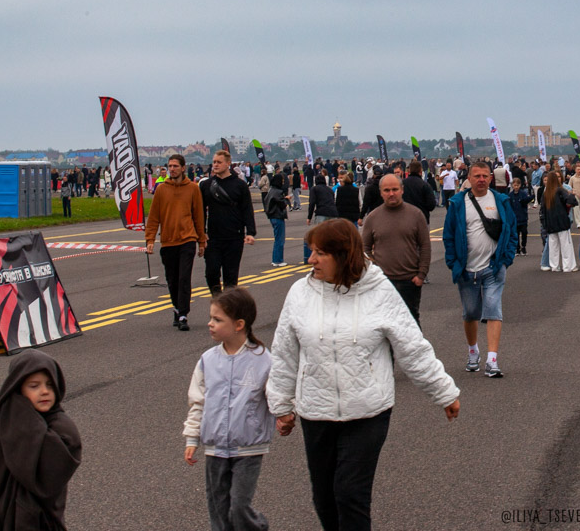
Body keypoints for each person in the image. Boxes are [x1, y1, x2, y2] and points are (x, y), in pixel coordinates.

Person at [268, 219, 459, 530]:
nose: (310, 260)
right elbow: (284, 353)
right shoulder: (299, 294)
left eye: (319, 253)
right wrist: (281, 406)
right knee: (324, 498)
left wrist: (443, 391)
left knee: (349, 494)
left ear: (342, 256)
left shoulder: (379, 291)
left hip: (367, 411)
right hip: (316, 411)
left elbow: (412, 346)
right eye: (311, 252)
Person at [0, 350, 82, 530]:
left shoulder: (60, 426)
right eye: (34, 386)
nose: (44, 391)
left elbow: (51, 473)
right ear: (17, 388)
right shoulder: (0, 423)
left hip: (38, 521)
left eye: (49, 384)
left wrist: (20, 414)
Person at [183, 288, 274, 531]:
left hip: (248, 446)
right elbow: (198, 401)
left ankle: (258, 526)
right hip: (215, 448)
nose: (210, 324)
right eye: (211, 318)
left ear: (239, 324)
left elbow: (277, 395)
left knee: (239, 506)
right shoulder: (208, 360)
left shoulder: (263, 359)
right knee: (218, 509)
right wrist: (192, 437)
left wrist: (286, 414)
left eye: (217, 319)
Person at [442, 161, 517, 377]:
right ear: (469, 178)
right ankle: (473, 351)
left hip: (494, 267)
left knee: (493, 309)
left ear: (491, 178)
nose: (481, 179)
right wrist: (453, 262)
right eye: (477, 176)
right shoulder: (458, 203)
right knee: (471, 313)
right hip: (467, 269)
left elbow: (511, 231)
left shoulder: (500, 200)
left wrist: (506, 259)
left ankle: (492, 360)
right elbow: (449, 235)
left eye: (485, 176)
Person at [146, 154, 207, 331]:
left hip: (187, 240)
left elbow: (199, 216)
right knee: (172, 280)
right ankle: (176, 307)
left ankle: (183, 314)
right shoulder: (161, 190)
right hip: (168, 241)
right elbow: (153, 217)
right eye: (169, 166)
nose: (172, 169)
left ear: (182, 167)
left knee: (184, 278)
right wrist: (150, 239)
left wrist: (201, 241)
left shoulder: (193, 189)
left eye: (175, 166)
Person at [361, 175, 431, 327]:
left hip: (410, 281)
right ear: (381, 192)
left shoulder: (416, 215)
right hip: (382, 282)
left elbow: (425, 246)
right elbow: (364, 248)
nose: (391, 193)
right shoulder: (373, 217)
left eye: (394, 189)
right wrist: (374, 269)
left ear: (402, 190)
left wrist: (421, 274)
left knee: (410, 323)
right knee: (384, 324)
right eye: (387, 190)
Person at [201, 151, 256, 297]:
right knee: (211, 272)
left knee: (230, 277)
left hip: (234, 237)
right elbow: (200, 211)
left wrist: (250, 232)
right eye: (214, 162)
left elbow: (247, 209)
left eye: (219, 162)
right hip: (213, 237)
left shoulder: (240, 185)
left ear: (228, 164)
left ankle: (228, 307)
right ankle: (218, 299)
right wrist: (201, 232)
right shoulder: (206, 185)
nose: (215, 165)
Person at [539, 171, 579, 273]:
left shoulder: (546, 194)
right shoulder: (560, 190)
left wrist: (544, 224)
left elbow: (542, 210)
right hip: (561, 222)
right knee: (565, 245)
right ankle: (567, 267)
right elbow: (571, 201)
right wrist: (572, 196)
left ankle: (554, 266)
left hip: (550, 224)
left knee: (553, 247)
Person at [304, 175, 339, 264]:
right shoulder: (330, 189)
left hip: (321, 212)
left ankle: (320, 255)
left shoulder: (314, 189)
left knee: (319, 235)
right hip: (333, 213)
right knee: (332, 236)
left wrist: (309, 217)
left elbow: (312, 203)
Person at [508, 177, 531, 256]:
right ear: (512, 186)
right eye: (514, 185)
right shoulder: (510, 196)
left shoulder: (523, 194)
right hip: (515, 218)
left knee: (524, 233)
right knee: (516, 234)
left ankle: (523, 246)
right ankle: (517, 248)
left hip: (523, 217)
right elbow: (509, 207)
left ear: (520, 185)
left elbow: (526, 201)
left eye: (517, 185)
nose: (516, 187)